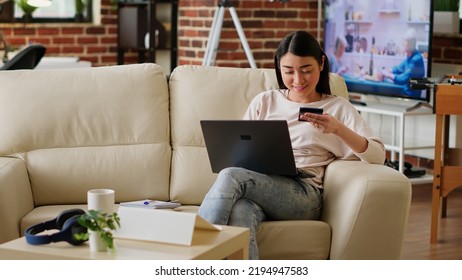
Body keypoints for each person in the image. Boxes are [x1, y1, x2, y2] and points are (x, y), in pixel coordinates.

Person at [197, 30, 385, 260]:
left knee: (230, 176)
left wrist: (337, 129)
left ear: (321, 63)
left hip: (304, 193)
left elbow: (378, 156)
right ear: (279, 68)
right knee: (240, 211)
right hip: (261, 186)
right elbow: (239, 150)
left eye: (306, 70)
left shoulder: (338, 108)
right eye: (288, 71)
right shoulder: (265, 101)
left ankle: (193, 260)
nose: (298, 80)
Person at [377, 28, 425, 98]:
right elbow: (398, 68)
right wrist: (385, 71)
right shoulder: (410, 56)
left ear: (411, 44)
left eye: (405, 42)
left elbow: (402, 79)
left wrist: (386, 74)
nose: (403, 44)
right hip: (405, 93)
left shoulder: (416, 59)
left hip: (410, 96)